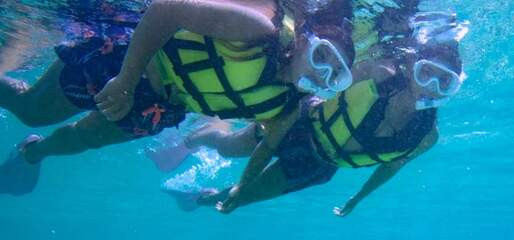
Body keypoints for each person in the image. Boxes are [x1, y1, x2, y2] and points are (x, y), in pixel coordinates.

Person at [0, 0, 355, 195]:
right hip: (132, 58)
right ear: (307, 38)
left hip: (162, 105)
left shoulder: (284, 106)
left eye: (333, 76)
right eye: (321, 55)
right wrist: (126, 79)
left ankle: (33, 152)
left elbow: (262, 146)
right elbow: (168, 8)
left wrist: (241, 187)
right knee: (32, 110)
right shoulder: (259, 28)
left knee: (85, 138)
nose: (319, 73)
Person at [167, 33, 465, 217]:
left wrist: (357, 199)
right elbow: (318, 85)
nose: (433, 88)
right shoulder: (377, 74)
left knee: (237, 199)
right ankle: (195, 138)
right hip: (298, 125)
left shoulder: (426, 137)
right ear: (412, 69)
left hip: (317, 164)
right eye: (427, 74)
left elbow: (391, 166)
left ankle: (193, 198)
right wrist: (253, 166)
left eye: (445, 83)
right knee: (229, 147)